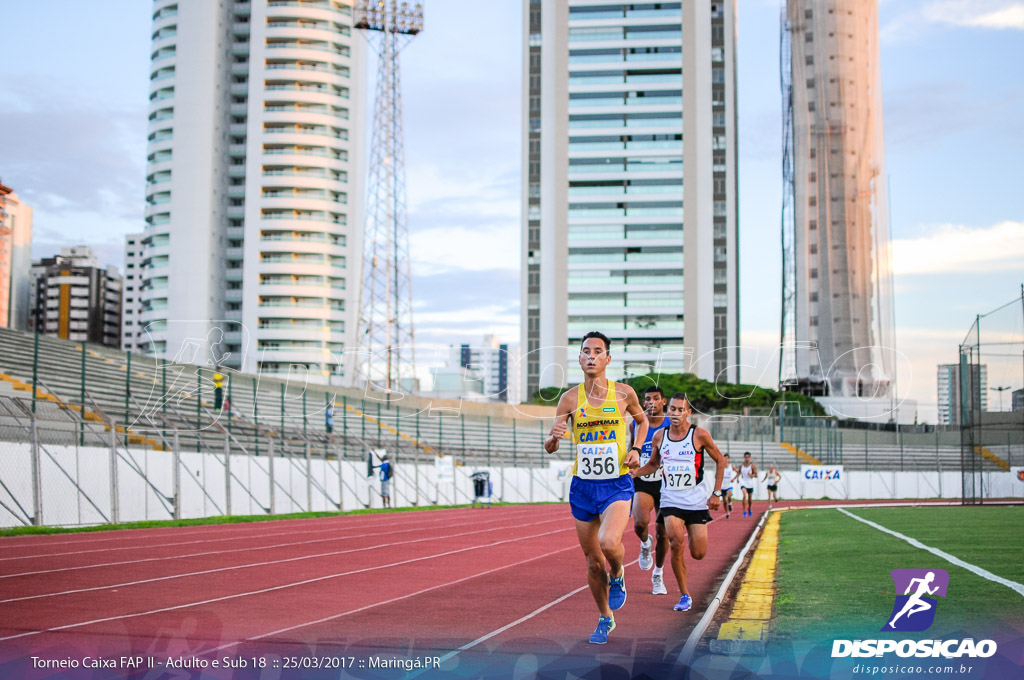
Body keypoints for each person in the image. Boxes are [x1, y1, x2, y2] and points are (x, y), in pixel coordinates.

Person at [545, 331, 647, 644]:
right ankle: (605, 617)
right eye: (586, 351)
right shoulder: (569, 399)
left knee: (608, 542)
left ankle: (618, 573)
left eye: (598, 351)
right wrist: (554, 437)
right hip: (583, 487)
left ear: (607, 359)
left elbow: (642, 422)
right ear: (579, 359)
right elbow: (550, 446)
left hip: (616, 483)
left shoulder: (624, 394)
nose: (591, 356)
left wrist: (636, 449)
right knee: (592, 563)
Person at [634, 393, 725, 613]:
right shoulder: (659, 436)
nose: (675, 414)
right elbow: (654, 464)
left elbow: (721, 460)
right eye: (672, 409)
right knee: (675, 543)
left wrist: (716, 493)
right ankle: (684, 595)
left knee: (698, 552)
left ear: (688, 412)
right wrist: (634, 473)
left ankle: (684, 583)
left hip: (695, 501)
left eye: (680, 410)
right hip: (670, 499)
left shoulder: (699, 435)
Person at [629, 385, 671, 594]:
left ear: (664, 402)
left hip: (666, 483)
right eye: (647, 399)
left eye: (656, 398)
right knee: (639, 523)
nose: (651, 402)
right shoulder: (636, 425)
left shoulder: (672, 424)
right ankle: (646, 544)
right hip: (643, 479)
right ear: (643, 402)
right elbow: (631, 450)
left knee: (664, 534)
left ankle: (658, 574)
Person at [735, 452, 757, 517]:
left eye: (748, 457)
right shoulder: (741, 466)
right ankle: (744, 511)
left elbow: (756, 475)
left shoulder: (752, 466)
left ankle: (749, 508)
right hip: (743, 482)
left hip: (750, 483)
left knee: (750, 499)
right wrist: (736, 478)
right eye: (746, 457)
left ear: (750, 458)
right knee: (744, 495)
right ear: (744, 458)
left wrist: (752, 475)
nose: (747, 459)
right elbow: (738, 473)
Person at [720, 453, 736, 519]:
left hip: (729, 484)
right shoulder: (721, 466)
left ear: (729, 459)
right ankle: (727, 513)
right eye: (724, 458)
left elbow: (738, 472)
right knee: (724, 501)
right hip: (723, 485)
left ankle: (730, 504)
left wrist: (734, 479)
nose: (726, 460)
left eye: (727, 458)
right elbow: (716, 475)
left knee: (729, 496)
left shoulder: (731, 466)